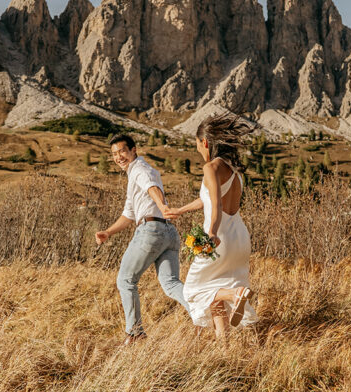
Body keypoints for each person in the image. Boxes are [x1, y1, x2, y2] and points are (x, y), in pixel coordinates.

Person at [165, 114, 256, 339]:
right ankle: (223, 347)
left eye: (197, 146)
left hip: (220, 238)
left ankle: (235, 294)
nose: (199, 152)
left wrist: (212, 233)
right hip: (240, 238)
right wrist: (180, 210)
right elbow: (209, 199)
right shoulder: (233, 169)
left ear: (205, 143)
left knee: (194, 289)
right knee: (214, 294)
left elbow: (215, 204)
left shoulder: (211, 168)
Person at [96, 133, 188, 345]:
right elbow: (129, 214)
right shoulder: (134, 174)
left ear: (133, 150)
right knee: (171, 284)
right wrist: (108, 232)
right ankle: (204, 313)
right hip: (169, 233)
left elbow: (151, 187)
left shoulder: (139, 169)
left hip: (151, 230)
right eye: (114, 154)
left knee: (125, 280)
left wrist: (163, 205)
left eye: (122, 151)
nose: (118, 157)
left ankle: (135, 333)